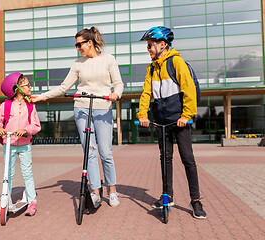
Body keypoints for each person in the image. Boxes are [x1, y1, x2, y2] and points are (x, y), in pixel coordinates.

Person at [32, 26, 124, 207]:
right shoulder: (78, 64)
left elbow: (118, 83)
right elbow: (63, 87)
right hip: (82, 108)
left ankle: (112, 190)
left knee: (105, 152)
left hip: (103, 108)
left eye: (79, 44)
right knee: (89, 152)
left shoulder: (108, 60)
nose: (77, 48)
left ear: (90, 42)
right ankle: (95, 191)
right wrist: (41, 96)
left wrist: (116, 94)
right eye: (76, 45)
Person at [136, 26, 206, 219]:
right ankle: (168, 195)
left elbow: (188, 89)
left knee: (187, 159)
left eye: (150, 45)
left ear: (162, 44)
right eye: (148, 45)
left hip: (180, 120)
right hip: (161, 121)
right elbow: (146, 94)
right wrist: (143, 115)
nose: (148, 49)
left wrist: (187, 115)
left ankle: (196, 201)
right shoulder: (151, 68)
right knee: (165, 159)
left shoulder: (176, 62)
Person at [0, 73, 41, 216]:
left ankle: (32, 201)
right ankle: (5, 199)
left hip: (25, 145)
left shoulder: (30, 106)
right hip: (9, 144)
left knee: (27, 173)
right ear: (18, 88)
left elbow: (36, 126)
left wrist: (26, 130)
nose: (30, 87)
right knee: (8, 174)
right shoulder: (6, 105)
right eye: (27, 85)